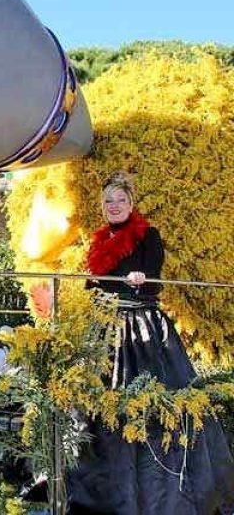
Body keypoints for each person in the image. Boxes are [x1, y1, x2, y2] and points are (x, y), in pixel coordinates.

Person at [67, 172, 234, 515]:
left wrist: (142, 280)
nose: (114, 207)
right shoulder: (99, 242)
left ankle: (161, 494)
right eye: (108, 202)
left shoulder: (148, 236)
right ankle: (104, 490)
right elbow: (93, 286)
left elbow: (153, 277)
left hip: (142, 330)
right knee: (100, 408)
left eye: (120, 200)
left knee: (150, 403)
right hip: (105, 329)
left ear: (132, 204)